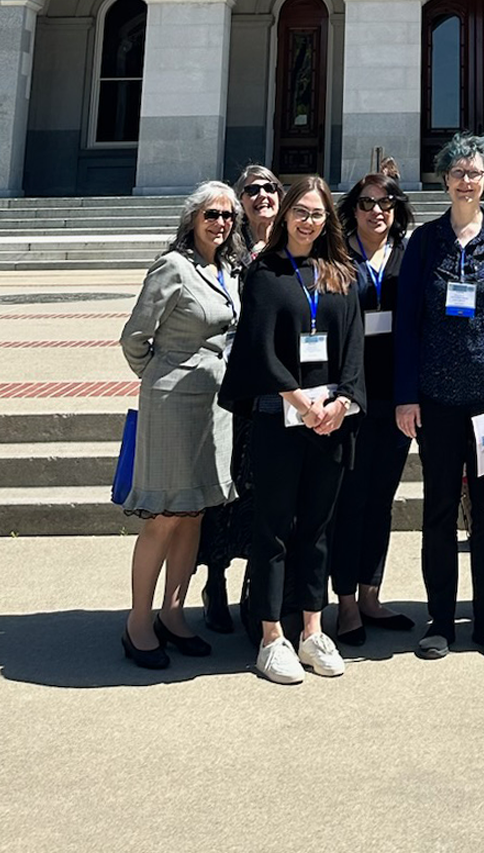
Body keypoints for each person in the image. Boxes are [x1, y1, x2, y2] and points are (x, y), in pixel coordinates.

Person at [394, 133, 484, 660]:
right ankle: (440, 620)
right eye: (456, 172)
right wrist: (406, 395)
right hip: (435, 402)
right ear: (444, 179)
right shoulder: (426, 242)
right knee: (437, 511)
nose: (465, 181)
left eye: (475, 173)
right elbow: (407, 325)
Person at [220, 177, 365, 685]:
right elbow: (258, 348)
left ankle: (311, 629)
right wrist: (299, 399)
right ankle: (270, 637)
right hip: (279, 418)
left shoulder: (338, 274)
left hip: (329, 422)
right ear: (285, 216)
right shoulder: (265, 271)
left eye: (319, 214)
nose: (310, 222)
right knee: (274, 528)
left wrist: (343, 401)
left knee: (318, 529)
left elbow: (353, 350)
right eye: (301, 212)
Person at [117, 181, 243, 669]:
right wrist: (159, 376)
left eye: (228, 216)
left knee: (194, 513)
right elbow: (135, 337)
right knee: (164, 514)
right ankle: (138, 622)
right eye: (211, 214)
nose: (220, 223)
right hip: (172, 404)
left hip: (215, 407)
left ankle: (174, 614)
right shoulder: (173, 266)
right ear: (192, 218)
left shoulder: (227, 268)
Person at [327, 168, 417, 644]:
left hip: (397, 396)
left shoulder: (409, 254)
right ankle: (344, 602)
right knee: (352, 499)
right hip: (352, 395)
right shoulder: (338, 255)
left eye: (385, 204)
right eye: (367, 203)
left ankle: (370, 593)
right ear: (353, 209)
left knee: (381, 499)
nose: (376, 212)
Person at [196, 161, 282, 634]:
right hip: (232, 390)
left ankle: (256, 590)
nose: (262, 196)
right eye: (252, 190)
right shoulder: (226, 253)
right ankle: (215, 581)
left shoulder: (292, 245)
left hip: (275, 389)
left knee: (262, 493)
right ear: (239, 200)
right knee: (224, 490)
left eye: (270, 188)